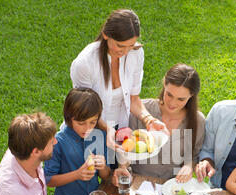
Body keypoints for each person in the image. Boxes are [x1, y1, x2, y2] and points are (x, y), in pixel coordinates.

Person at [69, 8, 169, 154]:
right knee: (91, 171)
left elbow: (133, 98)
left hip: (121, 129)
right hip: (88, 128)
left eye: (130, 45)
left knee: (116, 173)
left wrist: (149, 119)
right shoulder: (85, 63)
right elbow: (85, 109)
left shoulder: (136, 53)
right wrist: (108, 130)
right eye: (120, 45)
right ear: (105, 35)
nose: (125, 52)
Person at [112, 63, 205, 184]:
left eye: (181, 99)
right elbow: (125, 148)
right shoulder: (141, 111)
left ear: (191, 96)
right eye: (169, 94)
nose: (172, 103)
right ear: (164, 83)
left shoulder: (198, 120)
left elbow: (194, 156)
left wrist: (189, 166)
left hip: (171, 187)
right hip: (137, 182)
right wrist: (122, 167)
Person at [44, 88, 110, 195]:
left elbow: (105, 176)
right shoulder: (58, 142)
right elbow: (48, 180)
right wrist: (77, 174)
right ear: (69, 118)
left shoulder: (98, 136)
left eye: (93, 122)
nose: (87, 128)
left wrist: (103, 167)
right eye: (81, 123)